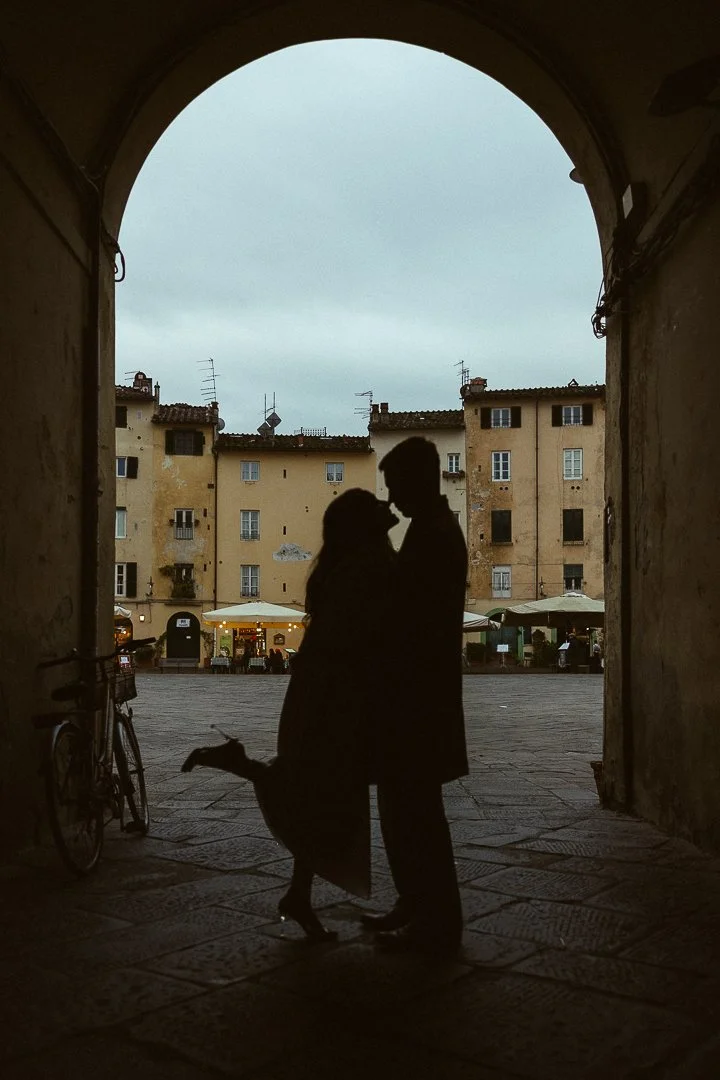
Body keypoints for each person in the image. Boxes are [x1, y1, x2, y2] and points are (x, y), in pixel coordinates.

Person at [182, 489, 398, 941]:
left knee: (318, 794)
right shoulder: (363, 570)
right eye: (375, 505)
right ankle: (239, 764)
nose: (387, 506)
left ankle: (298, 892)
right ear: (362, 526)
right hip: (334, 701)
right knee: (324, 794)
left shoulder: (340, 569)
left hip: (322, 694)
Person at [362, 436, 468, 954]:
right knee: (404, 806)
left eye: (396, 485)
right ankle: (415, 901)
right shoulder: (429, 530)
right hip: (416, 695)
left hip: (418, 698)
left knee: (417, 810)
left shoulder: (435, 536)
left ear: (422, 480)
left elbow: (405, 613)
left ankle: (437, 919)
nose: (393, 498)